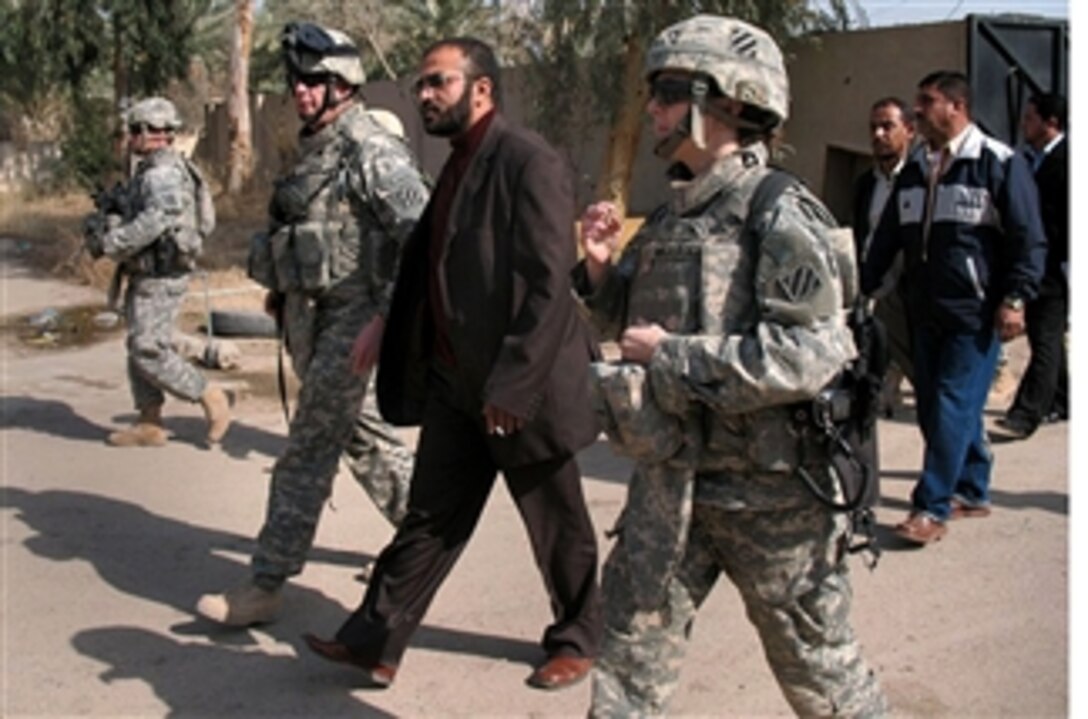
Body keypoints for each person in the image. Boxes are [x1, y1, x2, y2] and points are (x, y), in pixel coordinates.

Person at [575, 15, 887, 717]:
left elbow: (813, 354)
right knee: (626, 667)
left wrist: (676, 357)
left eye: (667, 91)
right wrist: (599, 275)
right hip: (668, 496)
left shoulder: (780, 213)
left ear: (731, 101)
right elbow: (630, 329)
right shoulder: (669, 218)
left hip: (770, 501)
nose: (651, 108)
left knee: (825, 681)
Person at [302, 36, 603, 692]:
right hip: (457, 387)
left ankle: (579, 635)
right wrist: (389, 324)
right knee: (429, 519)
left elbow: (549, 285)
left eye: (438, 82)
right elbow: (431, 269)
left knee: (558, 524)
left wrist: (515, 384)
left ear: (482, 89)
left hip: (522, 387)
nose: (424, 95)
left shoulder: (528, 161)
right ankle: (374, 640)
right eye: (422, 85)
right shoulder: (456, 166)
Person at [196, 22, 427, 626]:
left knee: (306, 450)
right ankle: (431, 530)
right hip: (311, 319)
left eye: (315, 80)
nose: (301, 91)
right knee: (364, 438)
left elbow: (423, 240)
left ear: (343, 84)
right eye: (297, 79)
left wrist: (385, 317)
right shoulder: (317, 147)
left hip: (352, 325)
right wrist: (283, 287)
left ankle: (266, 583)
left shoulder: (371, 149)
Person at [862, 71, 1046, 544]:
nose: (917, 110)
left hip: (975, 313)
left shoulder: (997, 164)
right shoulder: (916, 169)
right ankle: (973, 486)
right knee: (934, 408)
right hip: (925, 310)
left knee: (950, 405)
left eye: (928, 101)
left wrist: (1015, 298)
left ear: (958, 107)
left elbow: (1029, 240)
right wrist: (860, 287)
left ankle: (931, 508)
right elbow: (887, 241)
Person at [83, 97, 230, 448]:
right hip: (147, 271)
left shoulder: (162, 174)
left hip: (162, 273)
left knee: (148, 348)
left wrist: (113, 242)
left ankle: (209, 395)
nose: (130, 137)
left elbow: (156, 220)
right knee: (138, 344)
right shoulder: (152, 169)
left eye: (134, 131)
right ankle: (149, 422)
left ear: (152, 133)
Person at [996, 92, 1069, 437]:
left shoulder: (1068, 162)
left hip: (1055, 266)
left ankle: (1025, 415)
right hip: (1035, 262)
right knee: (1047, 338)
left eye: (1030, 119)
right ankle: (1063, 399)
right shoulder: (1029, 160)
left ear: (1050, 123)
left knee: (1045, 339)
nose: (1024, 126)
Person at [852, 97, 917, 415]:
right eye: (873, 127)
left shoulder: (920, 179)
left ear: (909, 131)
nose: (878, 134)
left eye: (887, 126)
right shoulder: (866, 184)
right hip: (874, 287)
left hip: (910, 294)